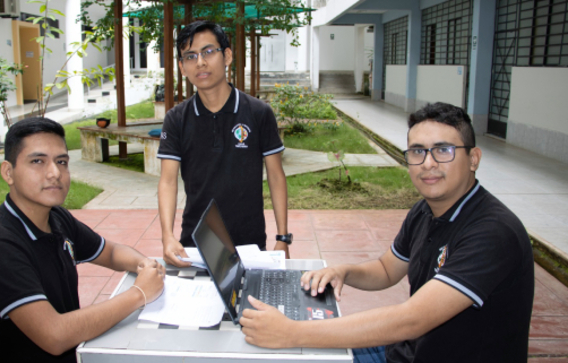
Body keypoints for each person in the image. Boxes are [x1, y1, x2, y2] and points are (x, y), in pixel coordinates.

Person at [239, 102, 534, 363]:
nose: (428, 163)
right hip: (408, 351)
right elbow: (386, 269)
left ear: (473, 158)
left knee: (297, 346)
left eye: (443, 150)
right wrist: (344, 272)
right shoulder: (425, 211)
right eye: (417, 151)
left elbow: (411, 320)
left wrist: (293, 333)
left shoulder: (493, 232)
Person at [0, 118, 165, 363]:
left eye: (61, 162)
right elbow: (55, 335)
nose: (55, 173)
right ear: (8, 172)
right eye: (37, 161)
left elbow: (111, 252)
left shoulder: (56, 218)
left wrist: (145, 265)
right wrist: (139, 293)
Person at [157, 20, 292, 267]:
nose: (200, 62)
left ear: (227, 56)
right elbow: (167, 181)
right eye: (190, 56)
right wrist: (167, 236)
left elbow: (275, 174)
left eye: (209, 52)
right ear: (182, 67)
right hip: (196, 246)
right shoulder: (176, 119)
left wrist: (283, 237)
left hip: (250, 245)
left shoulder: (258, 112)